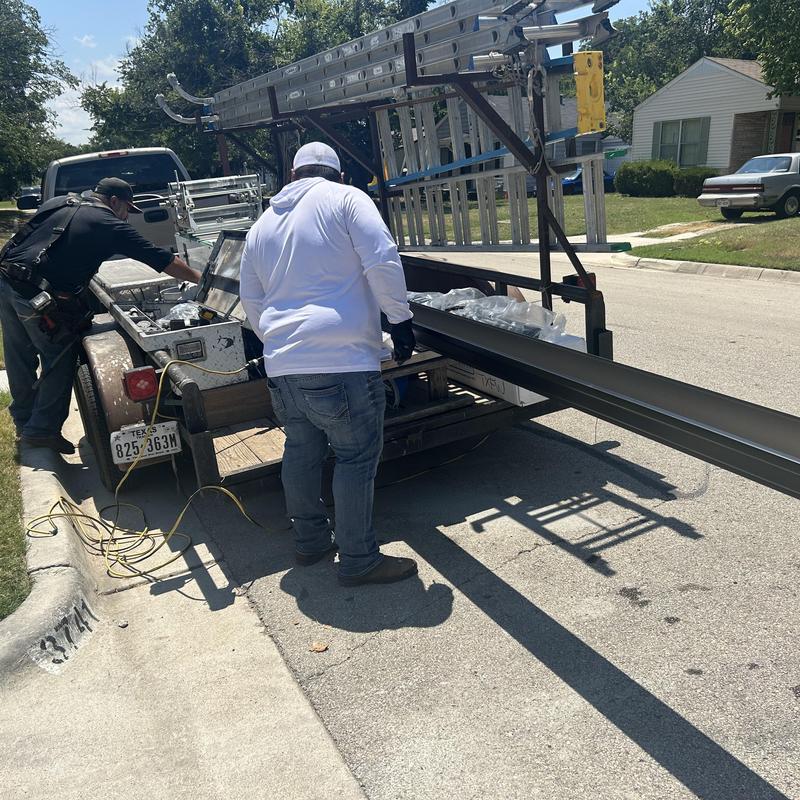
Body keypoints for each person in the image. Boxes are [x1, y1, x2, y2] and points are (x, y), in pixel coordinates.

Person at [239, 142, 418, 587]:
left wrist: (282, 342)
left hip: (283, 365)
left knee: (300, 451)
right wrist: (399, 319)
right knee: (356, 457)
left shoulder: (262, 224)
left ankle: (311, 542)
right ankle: (359, 560)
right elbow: (381, 258)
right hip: (342, 361)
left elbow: (251, 299)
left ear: (293, 172)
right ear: (337, 174)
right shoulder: (347, 198)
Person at [0, 177, 200, 454]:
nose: (127, 216)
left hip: (8, 280)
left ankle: (23, 419)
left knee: (17, 354)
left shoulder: (60, 202)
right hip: (36, 295)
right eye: (126, 209)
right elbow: (162, 260)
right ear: (114, 201)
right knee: (59, 354)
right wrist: (202, 280)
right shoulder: (108, 223)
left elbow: (34, 238)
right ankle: (41, 430)